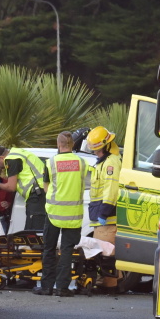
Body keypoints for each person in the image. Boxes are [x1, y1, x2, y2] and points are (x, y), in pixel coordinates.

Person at [34, 131, 87, 297]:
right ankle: (62, 288)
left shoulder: (51, 162)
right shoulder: (82, 162)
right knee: (67, 250)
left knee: (49, 249)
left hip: (53, 213)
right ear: (71, 145)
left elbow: (46, 186)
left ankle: (46, 287)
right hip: (73, 214)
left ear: (59, 145)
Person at [86, 126, 122, 294]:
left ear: (107, 146)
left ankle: (109, 286)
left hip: (107, 217)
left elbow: (111, 189)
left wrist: (104, 212)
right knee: (106, 252)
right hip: (101, 216)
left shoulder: (110, 163)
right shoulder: (104, 161)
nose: (96, 153)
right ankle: (113, 284)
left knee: (105, 253)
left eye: (98, 150)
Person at [0, 146, 47, 231]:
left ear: (1, 158)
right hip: (40, 193)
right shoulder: (19, 153)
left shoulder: (11, 158)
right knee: (34, 231)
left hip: (37, 195)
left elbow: (11, 187)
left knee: (32, 233)